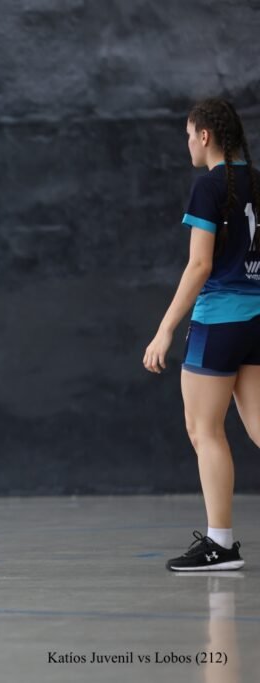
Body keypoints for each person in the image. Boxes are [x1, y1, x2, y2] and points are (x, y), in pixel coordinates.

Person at [143, 97, 260, 572]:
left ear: (205, 136)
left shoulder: (209, 187)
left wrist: (164, 330)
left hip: (218, 323)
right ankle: (220, 544)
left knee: (204, 430)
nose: (188, 144)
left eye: (189, 135)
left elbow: (199, 265)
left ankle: (220, 545)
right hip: (256, 321)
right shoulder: (258, 182)